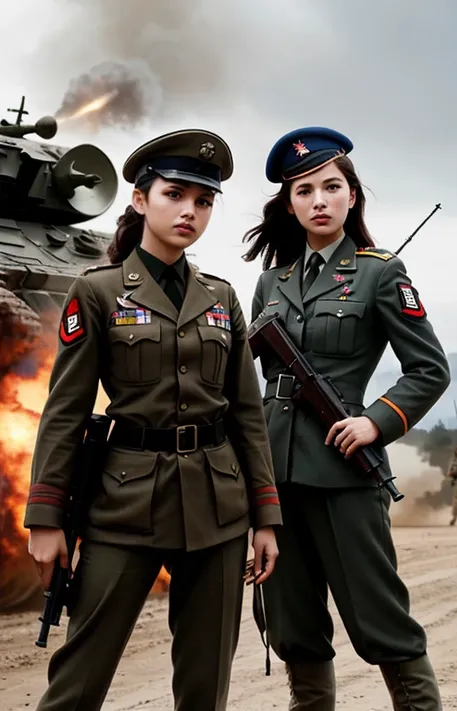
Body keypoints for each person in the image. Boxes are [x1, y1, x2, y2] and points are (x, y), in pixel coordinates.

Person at [24, 128, 281, 711]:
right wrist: (45, 517)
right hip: (123, 506)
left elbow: (246, 412)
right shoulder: (97, 291)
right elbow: (65, 411)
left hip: (218, 510)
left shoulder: (222, 298)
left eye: (204, 201)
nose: (190, 211)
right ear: (140, 200)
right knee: (77, 683)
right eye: (175, 194)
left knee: (204, 689)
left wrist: (265, 516)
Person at [243, 126, 450, 711]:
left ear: (351, 196)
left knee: (381, 619)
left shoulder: (380, 272)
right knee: (293, 626)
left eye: (331, 187)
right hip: (276, 478)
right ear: (290, 204)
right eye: (305, 191)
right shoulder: (270, 284)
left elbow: (429, 370)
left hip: (344, 472)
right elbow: (253, 384)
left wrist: (375, 423)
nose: (319, 200)